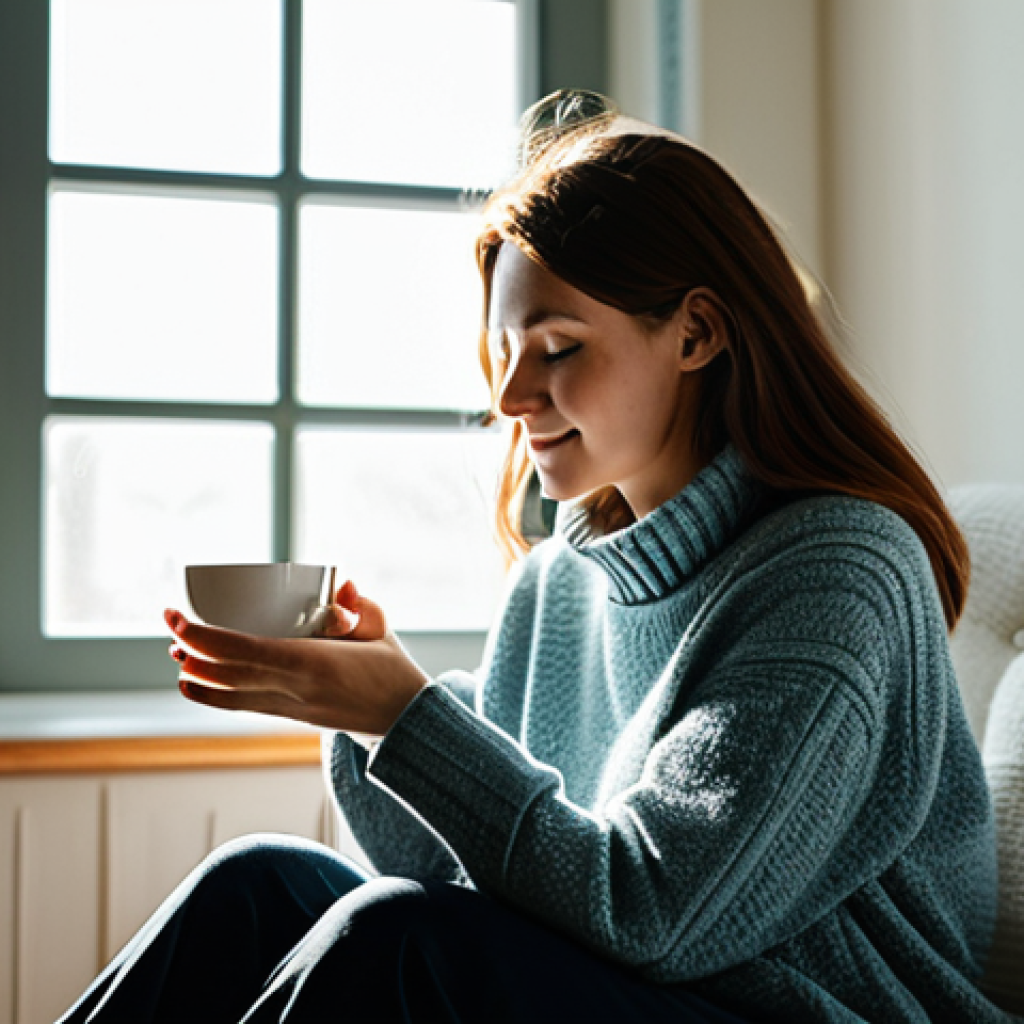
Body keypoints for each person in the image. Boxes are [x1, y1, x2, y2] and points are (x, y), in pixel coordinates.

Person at [60, 91, 1012, 1024]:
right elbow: (452, 875)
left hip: (797, 1007)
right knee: (258, 883)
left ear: (697, 333)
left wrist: (407, 716)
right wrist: (360, 719)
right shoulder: (561, 580)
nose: (512, 396)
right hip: (639, 986)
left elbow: (653, 912)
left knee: (400, 941)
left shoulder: (836, 571)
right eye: (504, 349)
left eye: (557, 348)